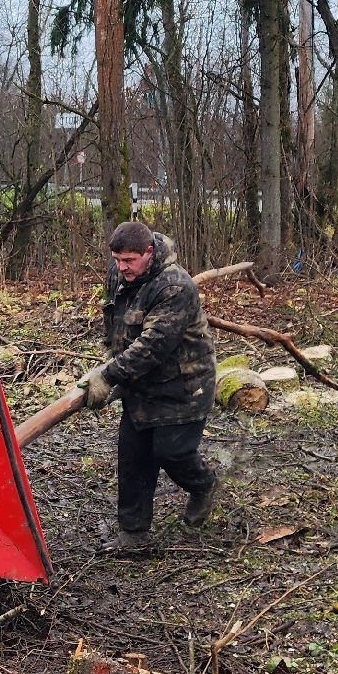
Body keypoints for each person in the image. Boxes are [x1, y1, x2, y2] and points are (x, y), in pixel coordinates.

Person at [81, 221, 219, 554]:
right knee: (133, 457)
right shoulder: (119, 275)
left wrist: (111, 375)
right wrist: (109, 363)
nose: (121, 267)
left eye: (129, 260)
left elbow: (154, 345)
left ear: (149, 252)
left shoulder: (176, 286)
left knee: (171, 452)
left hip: (184, 387)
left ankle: (204, 485)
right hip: (141, 386)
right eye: (116, 259)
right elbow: (114, 324)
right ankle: (133, 535)